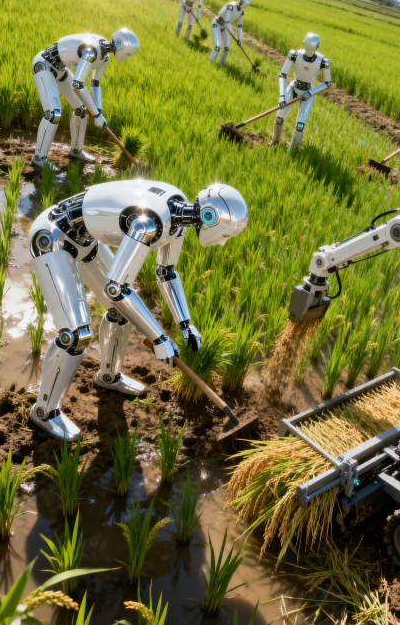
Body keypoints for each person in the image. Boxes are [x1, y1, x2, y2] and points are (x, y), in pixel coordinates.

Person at [27, 179, 248, 440]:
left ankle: (109, 375)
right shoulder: (149, 223)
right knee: (75, 335)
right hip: (53, 236)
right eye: (224, 235)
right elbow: (116, 287)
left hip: (86, 239)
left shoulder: (179, 217)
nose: (221, 242)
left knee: (123, 312)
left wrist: (185, 325)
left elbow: (166, 272)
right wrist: (159, 338)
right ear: (210, 218)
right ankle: (44, 411)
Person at [31, 29, 139, 169]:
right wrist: (96, 114)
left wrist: (98, 110)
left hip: (61, 69)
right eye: (128, 54)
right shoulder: (91, 51)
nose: (128, 58)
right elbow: (77, 84)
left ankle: (76, 151)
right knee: (54, 114)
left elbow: (95, 83)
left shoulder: (104, 56)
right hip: (44, 65)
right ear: (121, 47)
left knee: (82, 111)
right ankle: (39, 158)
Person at [270, 32, 331, 151]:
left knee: (300, 125)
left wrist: (311, 93)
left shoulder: (323, 61)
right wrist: (282, 97)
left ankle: (291, 151)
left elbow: (328, 83)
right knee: (279, 117)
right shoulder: (295, 55)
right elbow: (283, 74)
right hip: (293, 88)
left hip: (308, 92)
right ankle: (275, 141)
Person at [209, 0, 251, 65]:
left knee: (226, 48)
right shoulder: (231, 6)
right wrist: (234, 36)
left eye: (247, 4)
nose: (246, 5)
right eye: (245, 3)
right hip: (217, 23)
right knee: (218, 46)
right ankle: (210, 63)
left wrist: (239, 39)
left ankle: (220, 65)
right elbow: (226, 21)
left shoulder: (242, 12)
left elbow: (240, 26)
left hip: (224, 27)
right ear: (242, 1)